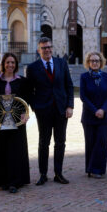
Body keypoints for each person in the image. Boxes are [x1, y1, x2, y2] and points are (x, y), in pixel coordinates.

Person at [26, 37, 74, 185]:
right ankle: (43, 174)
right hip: (43, 111)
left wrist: (70, 106)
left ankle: (58, 173)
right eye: (44, 48)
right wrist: (35, 107)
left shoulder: (61, 63)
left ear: (52, 48)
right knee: (43, 142)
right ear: (39, 50)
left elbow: (69, 86)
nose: (47, 50)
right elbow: (29, 91)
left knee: (60, 142)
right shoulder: (32, 67)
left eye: (49, 47)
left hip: (61, 109)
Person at [0, 53, 30, 193]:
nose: (10, 65)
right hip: (0, 121)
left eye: (13, 62)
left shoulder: (22, 81)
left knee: (16, 150)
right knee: (1, 149)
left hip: (17, 121)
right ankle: (2, 181)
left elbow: (26, 99)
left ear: (16, 65)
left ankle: (15, 182)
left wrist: (25, 113)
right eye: (7, 62)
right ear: (3, 64)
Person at [80, 52, 107, 178]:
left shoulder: (106, 76)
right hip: (89, 115)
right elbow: (83, 96)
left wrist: (103, 109)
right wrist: (95, 110)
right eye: (92, 61)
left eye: (97, 60)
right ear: (88, 62)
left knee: (102, 142)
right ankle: (91, 169)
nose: (94, 63)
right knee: (91, 142)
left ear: (101, 62)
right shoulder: (84, 77)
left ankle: (98, 169)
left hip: (104, 115)